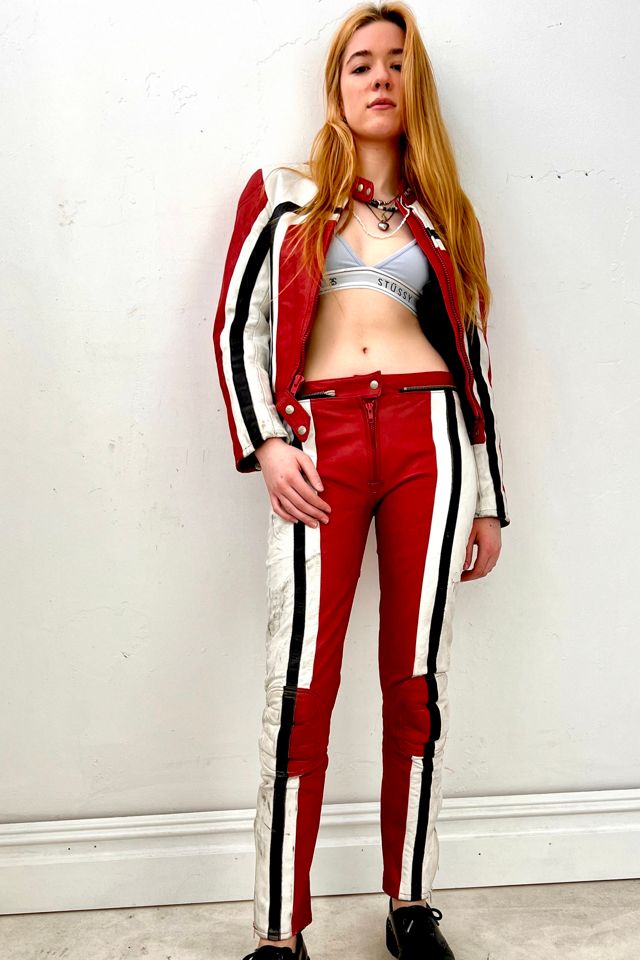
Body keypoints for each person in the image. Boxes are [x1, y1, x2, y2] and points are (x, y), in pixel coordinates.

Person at [213, 3, 510, 958]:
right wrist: (268, 443)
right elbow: (240, 329)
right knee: (300, 688)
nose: (379, 77)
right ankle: (278, 933)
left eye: (395, 62)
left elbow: (474, 363)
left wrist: (488, 498)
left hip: (432, 441)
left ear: (415, 85)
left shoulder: (444, 218)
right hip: (320, 443)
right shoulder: (285, 197)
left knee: (415, 684)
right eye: (360, 63)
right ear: (335, 86)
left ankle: (410, 903)